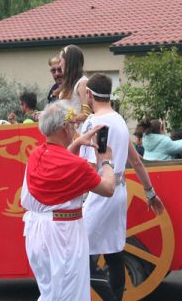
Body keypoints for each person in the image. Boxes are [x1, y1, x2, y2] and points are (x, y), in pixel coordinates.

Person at [78, 73, 164, 300]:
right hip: (119, 191)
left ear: (89, 94)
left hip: (100, 191)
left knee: (79, 250)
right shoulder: (119, 120)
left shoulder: (92, 122)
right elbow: (136, 161)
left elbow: (88, 166)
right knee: (113, 250)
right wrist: (150, 192)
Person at [21, 101, 116, 301]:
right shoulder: (77, 165)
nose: (75, 128)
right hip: (63, 235)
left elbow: (60, 163)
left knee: (50, 293)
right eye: (73, 124)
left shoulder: (37, 154)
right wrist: (106, 161)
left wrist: (76, 143)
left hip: (36, 233)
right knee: (69, 294)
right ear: (65, 127)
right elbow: (108, 188)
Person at [57, 45, 89, 125]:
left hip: (79, 130)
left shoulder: (83, 83)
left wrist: (63, 119)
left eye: (60, 61)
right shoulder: (69, 83)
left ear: (69, 61)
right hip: (68, 129)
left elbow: (87, 114)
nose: (59, 65)